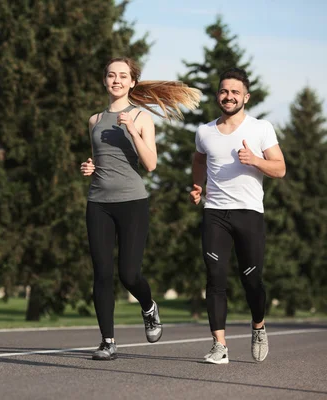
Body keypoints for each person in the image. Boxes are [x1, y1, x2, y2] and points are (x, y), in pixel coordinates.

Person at [81, 57, 201, 361]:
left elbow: (150, 164)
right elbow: (102, 161)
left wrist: (133, 131)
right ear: (105, 80)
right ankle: (107, 341)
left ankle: (148, 306)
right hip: (98, 203)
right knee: (102, 273)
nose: (116, 80)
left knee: (129, 274)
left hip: (132, 202)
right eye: (111, 75)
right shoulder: (94, 120)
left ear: (133, 82)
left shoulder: (142, 118)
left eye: (123, 76)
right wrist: (88, 166)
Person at [189, 67, 286, 364]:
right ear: (217, 95)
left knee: (252, 281)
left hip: (249, 213)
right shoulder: (204, 131)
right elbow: (199, 158)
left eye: (234, 92)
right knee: (215, 278)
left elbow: (280, 168)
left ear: (246, 96)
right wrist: (196, 185)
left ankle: (258, 326)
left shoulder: (260, 129)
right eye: (223, 91)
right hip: (215, 213)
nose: (228, 96)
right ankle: (220, 345)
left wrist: (255, 160)